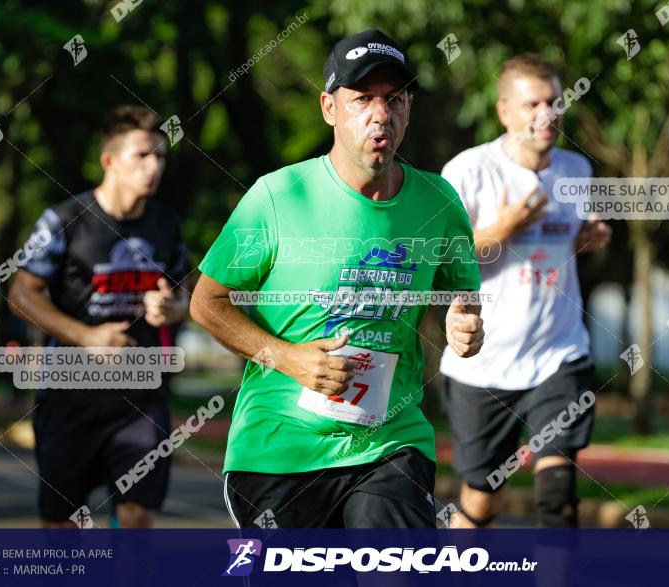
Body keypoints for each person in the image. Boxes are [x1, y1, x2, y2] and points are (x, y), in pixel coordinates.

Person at [191, 29, 484, 529]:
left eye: (393, 99)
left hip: (391, 442)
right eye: (362, 99)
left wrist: (466, 326)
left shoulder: (439, 203)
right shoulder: (278, 197)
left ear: (408, 107)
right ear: (329, 107)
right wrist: (289, 359)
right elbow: (207, 303)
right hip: (280, 450)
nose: (379, 113)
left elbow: (463, 299)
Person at [438, 54, 612, 528]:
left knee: (558, 495)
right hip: (483, 363)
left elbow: (567, 243)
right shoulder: (469, 171)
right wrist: (504, 228)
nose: (546, 114)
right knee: (481, 500)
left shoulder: (577, 170)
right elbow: (441, 260)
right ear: (504, 112)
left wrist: (589, 240)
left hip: (559, 351)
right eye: (532, 103)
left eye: (554, 101)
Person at [8, 106, 190, 528]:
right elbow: (20, 294)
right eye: (142, 156)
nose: (154, 167)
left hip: (140, 396)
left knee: (137, 515)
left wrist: (172, 308)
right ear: (109, 160)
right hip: (69, 393)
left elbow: (183, 296)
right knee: (63, 526)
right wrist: (86, 336)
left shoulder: (167, 225)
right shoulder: (64, 221)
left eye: (160, 157)